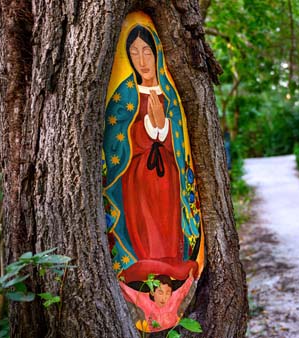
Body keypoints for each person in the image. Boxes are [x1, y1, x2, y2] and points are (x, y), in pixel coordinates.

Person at [103, 19, 202, 284]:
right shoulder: (124, 95)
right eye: (134, 53)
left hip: (168, 176)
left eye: (146, 51)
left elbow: (180, 143)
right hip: (136, 179)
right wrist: (148, 128)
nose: (141, 60)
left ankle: (170, 270)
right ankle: (147, 270)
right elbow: (116, 138)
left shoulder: (169, 94)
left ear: (156, 53)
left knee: (167, 224)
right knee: (144, 226)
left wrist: (164, 127)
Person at [119, 270, 195, 332]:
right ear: (152, 292)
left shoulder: (174, 298)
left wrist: (191, 277)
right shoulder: (144, 301)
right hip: (149, 331)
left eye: (168, 293)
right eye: (160, 293)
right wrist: (120, 283)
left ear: (171, 293)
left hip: (173, 328)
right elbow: (131, 293)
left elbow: (184, 289)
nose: (164, 297)